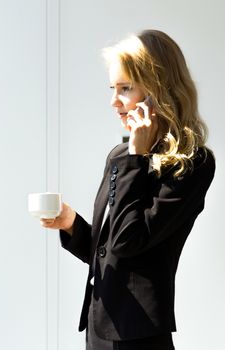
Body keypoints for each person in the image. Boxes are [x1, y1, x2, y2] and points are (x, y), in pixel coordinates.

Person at [40, 29, 215, 350]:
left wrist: (137, 156)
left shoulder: (192, 162)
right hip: (100, 328)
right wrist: (71, 224)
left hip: (141, 335)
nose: (113, 101)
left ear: (157, 89)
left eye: (125, 88)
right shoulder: (120, 156)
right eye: (113, 88)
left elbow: (127, 241)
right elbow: (107, 254)